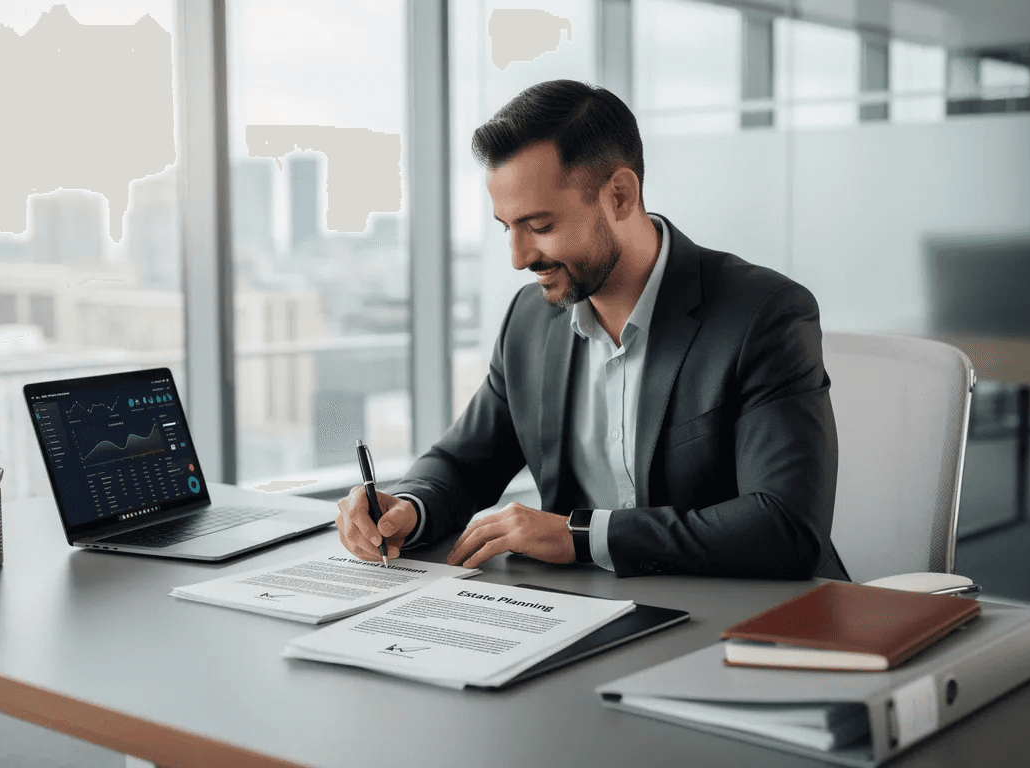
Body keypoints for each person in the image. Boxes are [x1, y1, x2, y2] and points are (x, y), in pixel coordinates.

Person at [336, 79, 849, 580]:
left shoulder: (764, 315)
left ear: (620, 195)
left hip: (754, 624)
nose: (518, 259)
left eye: (540, 228)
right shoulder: (530, 320)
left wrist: (582, 536)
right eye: (506, 228)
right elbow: (463, 463)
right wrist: (407, 505)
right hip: (586, 616)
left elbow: (786, 527)